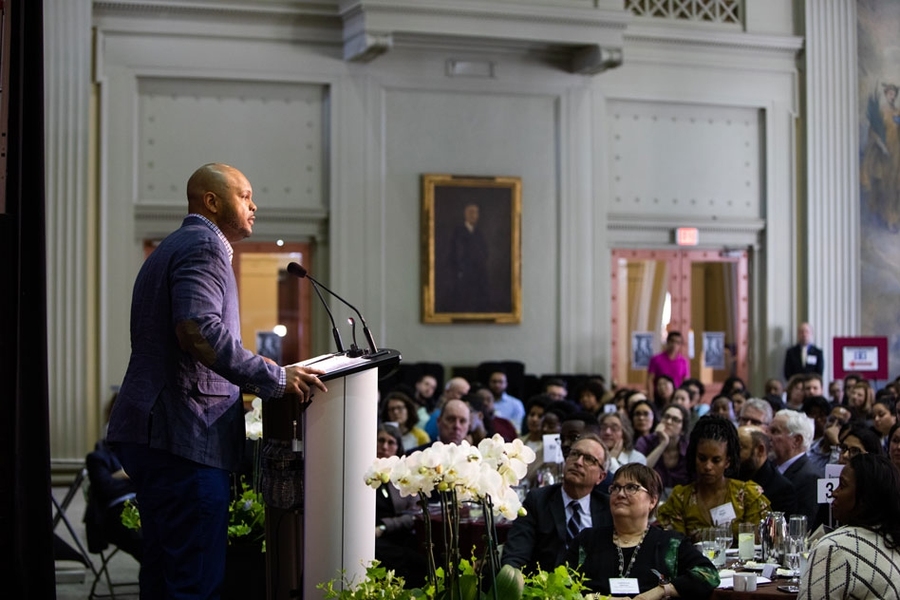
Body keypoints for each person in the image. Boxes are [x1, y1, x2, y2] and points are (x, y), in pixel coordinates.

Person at [106, 163, 327, 597]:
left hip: (157, 434)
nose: (254, 205)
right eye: (244, 196)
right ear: (211, 201)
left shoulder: (172, 247)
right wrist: (275, 377)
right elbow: (197, 328)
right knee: (194, 584)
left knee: (163, 575)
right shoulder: (204, 246)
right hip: (184, 438)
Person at [567, 464, 719, 599]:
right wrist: (597, 598)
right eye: (616, 487)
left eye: (631, 487)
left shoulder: (670, 543)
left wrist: (662, 590)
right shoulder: (587, 540)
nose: (620, 494)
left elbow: (708, 575)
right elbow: (560, 586)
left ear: (652, 500)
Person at [501, 434, 612, 573]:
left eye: (589, 459)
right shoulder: (538, 500)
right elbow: (516, 553)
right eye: (575, 454)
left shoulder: (608, 508)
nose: (578, 462)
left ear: (601, 477)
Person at [798, 454, 900, 599]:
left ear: (865, 499)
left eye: (842, 485)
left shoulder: (834, 548)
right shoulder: (891, 541)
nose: (834, 493)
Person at [657, 415, 770, 541]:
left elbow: (759, 546)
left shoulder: (748, 496)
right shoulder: (680, 499)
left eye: (716, 460)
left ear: (727, 461)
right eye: (702, 458)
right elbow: (674, 547)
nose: (707, 466)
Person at [374, 424, 426, 586]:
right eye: (380, 441)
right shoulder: (364, 475)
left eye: (391, 443)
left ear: (398, 448)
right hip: (371, 538)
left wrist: (384, 527)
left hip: (398, 535)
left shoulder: (405, 477)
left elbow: (413, 515)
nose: (384, 447)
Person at [769, 409, 820, 525]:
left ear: (797, 440)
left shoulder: (810, 478)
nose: (768, 437)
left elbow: (801, 527)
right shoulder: (771, 468)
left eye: (775, 431)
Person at [736, 425, 796, 515]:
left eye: (740, 448)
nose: (733, 454)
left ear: (760, 450)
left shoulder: (782, 489)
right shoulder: (729, 476)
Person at [635, 403, 691, 496]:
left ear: (683, 430)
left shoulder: (689, 449)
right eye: (666, 417)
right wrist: (663, 444)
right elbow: (638, 473)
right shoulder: (645, 441)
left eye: (675, 420)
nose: (668, 422)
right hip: (649, 498)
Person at [447, 202, 489, 312]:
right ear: (465, 214)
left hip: (478, 275)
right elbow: (454, 254)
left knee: (478, 303)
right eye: (471, 213)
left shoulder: (479, 233)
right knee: (464, 303)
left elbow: (484, 252)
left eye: (476, 213)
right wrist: (459, 271)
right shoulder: (458, 232)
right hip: (463, 274)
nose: (474, 215)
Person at [647, 331, 690, 408]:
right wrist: (651, 397)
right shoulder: (656, 359)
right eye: (672, 341)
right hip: (659, 396)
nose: (674, 345)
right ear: (667, 342)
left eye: (678, 343)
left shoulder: (683, 361)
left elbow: (685, 381)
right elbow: (650, 379)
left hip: (676, 397)